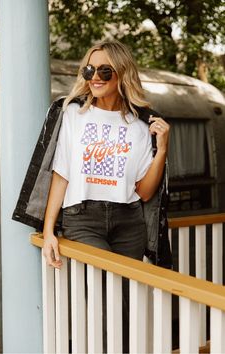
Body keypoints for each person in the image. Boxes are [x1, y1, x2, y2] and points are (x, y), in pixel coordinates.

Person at [42, 40, 170, 269]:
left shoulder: (139, 126)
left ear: (122, 73)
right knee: (105, 289)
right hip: (83, 219)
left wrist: (161, 150)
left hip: (129, 220)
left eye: (105, 70)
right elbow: (61, 174)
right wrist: (48, 230)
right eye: (90, 70)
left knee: (127, 296)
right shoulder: (73, 113)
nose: (95, 77)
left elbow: (145, 192)